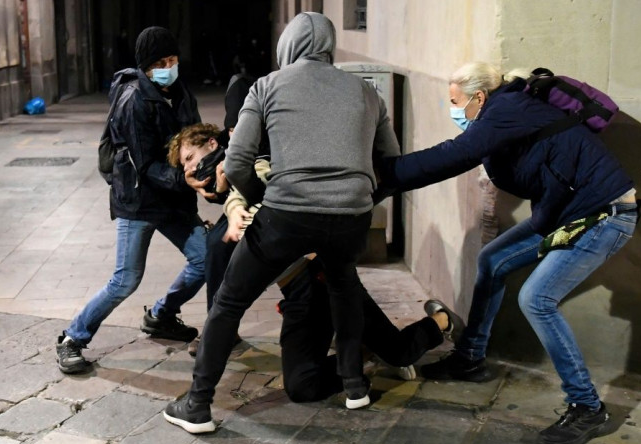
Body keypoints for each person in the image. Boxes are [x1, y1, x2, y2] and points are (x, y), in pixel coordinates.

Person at [377, 62, 639, 444]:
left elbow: (454, 155)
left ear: (479, 97)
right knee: (492, 260)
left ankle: (587, 407)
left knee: (537, 298)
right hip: (567, 213)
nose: (453, 111)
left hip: (606, 214)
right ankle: (470, 359)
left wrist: (383, 174)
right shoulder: (504, 113)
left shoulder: (506, 110)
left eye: (455, 103)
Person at [163, 11, 401, 433]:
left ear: (286, 48)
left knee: (229, 302)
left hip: (287, 213)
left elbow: (236, 161)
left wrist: (258, 202)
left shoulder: (267, 86)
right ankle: (354, 386)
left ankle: (197, 404)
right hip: (350, 218)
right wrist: (361, 198)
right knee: (343, 288)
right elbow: (391, 160)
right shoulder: (366, 91)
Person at [166, 122, 463, 403]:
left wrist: (232, 203)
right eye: (186, 166)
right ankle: (360, 356)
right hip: (298, 293)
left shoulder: (251, 159)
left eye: (191, 157)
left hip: (325, 273)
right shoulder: (226, 184)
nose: (191, 167)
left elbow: (259, 179)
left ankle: (440, 321)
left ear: (214, 142)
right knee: (302, 387)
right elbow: (234, 198)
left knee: (400, 352)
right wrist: (224, 198)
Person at [55, 26, 206, 374]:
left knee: (205, 259)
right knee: (125, 279)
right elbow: (146, 162)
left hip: (173, 199)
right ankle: (72, 338)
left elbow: (193, 137)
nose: (170, 66)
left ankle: (161, 316)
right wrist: (184, 178)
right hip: (139, 200)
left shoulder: (180, 93)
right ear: (147, 66)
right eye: (162, 62)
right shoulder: (133, 99)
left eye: (174, 59)